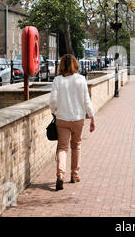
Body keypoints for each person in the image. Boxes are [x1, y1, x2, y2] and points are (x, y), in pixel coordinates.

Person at [49, 54, 95, 191]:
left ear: (61, 65)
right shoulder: (81, 79)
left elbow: (53, 101)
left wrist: (54, 111)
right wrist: (92, 117)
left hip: (62, 118)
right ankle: (74, 175)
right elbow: (87, 100)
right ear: (75, 64)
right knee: (76, 146)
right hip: (78, 118)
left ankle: (60, 176)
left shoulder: (57, 80)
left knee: (62, 148)